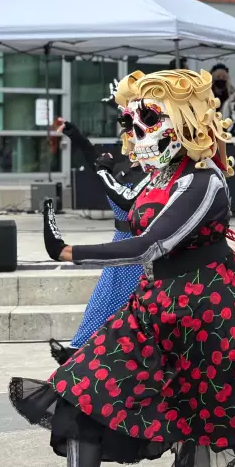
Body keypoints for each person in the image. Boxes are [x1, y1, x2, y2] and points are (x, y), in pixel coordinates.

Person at [9, 69, 235, 467]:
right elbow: (129, 203)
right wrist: (93, 160)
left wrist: (68, 251)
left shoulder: (204, 180)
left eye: (149, 118)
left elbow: (151, 244)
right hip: (155, 310)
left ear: (186, 120)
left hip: (214, 317)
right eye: (130, 122)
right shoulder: (160, 176)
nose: (137, 130)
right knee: (84, 394)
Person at [47, 113, 152, 365]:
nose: (130, 139)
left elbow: (126, 199)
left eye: (135, 134)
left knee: (131, 306)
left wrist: (104, 172)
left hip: (140, 246)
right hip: (120, 241)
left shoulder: (152, 173)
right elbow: (94, 159)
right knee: (101, 302)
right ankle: (80, 350)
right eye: (128, 134)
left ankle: (126, 356)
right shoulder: (124, 168)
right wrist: (74, 134)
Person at [211, 64, 235, 136]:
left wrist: (225, 131)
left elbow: (234, 117)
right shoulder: (205, 95)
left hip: (228, 134)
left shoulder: (233, 96)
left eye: (223, 77)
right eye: (218, 77)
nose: (221, 79)